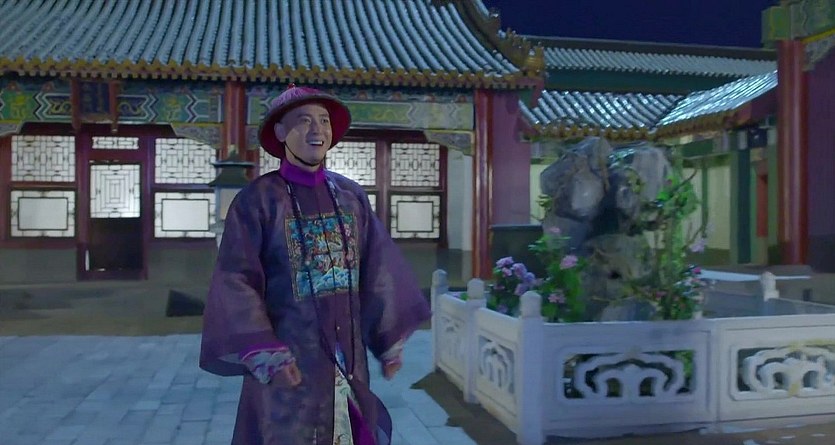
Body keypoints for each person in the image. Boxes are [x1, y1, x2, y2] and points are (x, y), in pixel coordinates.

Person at [200, 84, 431, 445]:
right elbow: (236, 278)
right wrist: (265, 350)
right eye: (304, 120)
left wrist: (388, 338)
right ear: (280, 132)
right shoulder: (258, 201)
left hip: (347, 358)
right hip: (290, 359)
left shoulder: (351, 196)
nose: (317, 130)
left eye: (323, 121)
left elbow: (377, 268)